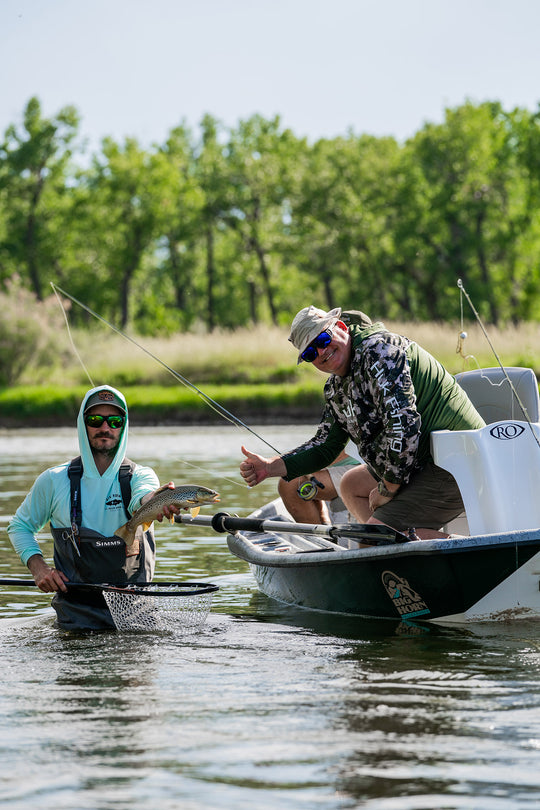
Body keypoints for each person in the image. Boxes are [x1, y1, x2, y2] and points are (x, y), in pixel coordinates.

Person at [240, 306, 486, 539]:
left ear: (341, 327)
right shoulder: (338, 386)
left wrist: (387, 489)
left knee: (374, 536)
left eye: (323, 340)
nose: (322, 352)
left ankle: (467, 551)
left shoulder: (380, 352)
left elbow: (405, 427)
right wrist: (269, 467)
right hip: (419, 463)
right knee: (351, 484)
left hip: (456, 463)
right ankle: (393, 550)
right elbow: (325, 445)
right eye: (310, 353)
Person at [7, 385, 180, 631]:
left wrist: (158, 501)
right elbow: (20, 526)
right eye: (96, 420)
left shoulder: (141, 476)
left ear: (124, 425)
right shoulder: (53, 480)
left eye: (115, 421)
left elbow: (143, 498)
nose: (105, 428)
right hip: (75, 615)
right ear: (82, 424)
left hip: (137, 613)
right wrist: (39, 568)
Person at [277, 450, 360, 524]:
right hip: (344, 466)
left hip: (364, 468)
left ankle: (316, 537)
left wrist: (301, 463)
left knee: (290, 484)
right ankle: (324, 529)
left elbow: (347, 450)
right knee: (299, 475)